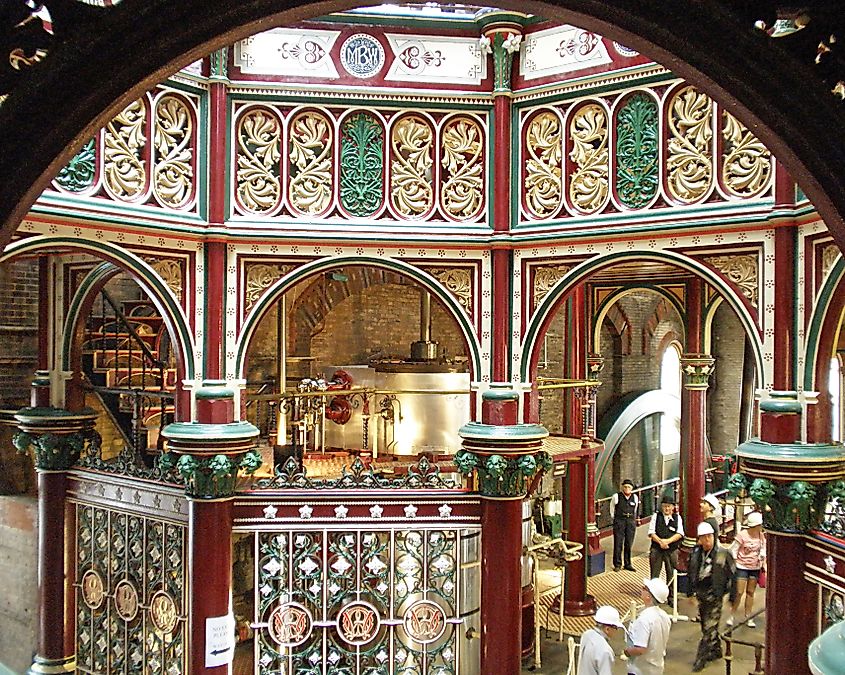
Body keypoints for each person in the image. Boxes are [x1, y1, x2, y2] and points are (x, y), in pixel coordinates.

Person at [687, 521, 736, 672]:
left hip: (715, 595)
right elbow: (691, 573)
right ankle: (716, 650)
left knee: (709, 628)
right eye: (703, 538)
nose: (707, 540)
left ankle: (700, 659)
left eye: (709, 537)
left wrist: (733, 598)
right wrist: (690, 593)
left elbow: (734, 576)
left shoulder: (723, 553)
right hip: (701, 594)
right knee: (705, 626)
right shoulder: (696, 553)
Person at [623, 577, 672, 675]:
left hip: (640, 670)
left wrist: (627, 652)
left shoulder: (644, 619)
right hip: (657, 668)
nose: (642, 588)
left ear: (649, 596)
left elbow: (640, 649)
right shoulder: (664, 616)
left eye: (645, 588)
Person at [728, 510, 766, 627]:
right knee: (739, 592)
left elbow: (764, 547)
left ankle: (748, 616)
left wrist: (762, 557)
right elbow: (733, 549)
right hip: (742, 566)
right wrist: (735, 561)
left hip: (755, 567)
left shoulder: (761, 536)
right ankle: (731, 615)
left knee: (750, 592)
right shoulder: (742, 535)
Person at [647, 495, 684, 604]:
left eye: (669, 506)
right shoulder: (656, 516)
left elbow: (680, 533)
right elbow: (651, 532)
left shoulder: (678, 518)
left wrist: (667, 542)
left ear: (673, 507)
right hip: (657, 549)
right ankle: (653, 596)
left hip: (671, 549)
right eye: (664, 506)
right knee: (654, 573)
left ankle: (671, 597)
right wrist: (660, 542)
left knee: (671, 573)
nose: (667, 509)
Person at [578, 605, 624, 675]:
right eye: (616, 628)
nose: (616, 631)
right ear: (607, 629)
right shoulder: (605, 651)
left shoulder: (587, 634)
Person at [612, 478, 639, 571]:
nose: (627, 488)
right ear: (622, 487)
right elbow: (612, 510)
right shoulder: (616, 496)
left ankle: (628, 563)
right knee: (618, 542)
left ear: (631, 488)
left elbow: (635, 509)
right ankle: (617, 564)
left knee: (629, 543)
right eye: (625, 487)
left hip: (630, 521)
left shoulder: (635, 497)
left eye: (629, 487)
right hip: (620, 520)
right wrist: (616, 519)